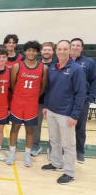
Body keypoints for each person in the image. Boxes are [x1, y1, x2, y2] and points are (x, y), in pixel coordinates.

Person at [42, 40, 86, 185]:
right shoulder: (53, 67)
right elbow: (48, 89)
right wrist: (46, 106)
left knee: (68, 144)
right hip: (52, 111)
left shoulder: (76, 69)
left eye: (64, 49)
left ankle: (69, 172)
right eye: (59, 49)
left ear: (69, 50)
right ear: (56, 51)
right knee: (54, 139)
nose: (62, 51)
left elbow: (80, 94)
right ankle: (56, 163)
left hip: (66, 113)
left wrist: (74, 115)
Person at [6, 41, 48, 167]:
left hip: (32, 103)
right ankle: (12, 152)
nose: (31, 53)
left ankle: (27, 154)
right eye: (29, 50)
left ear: (37, 52)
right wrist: (20, 95)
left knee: (30, 130)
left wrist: (32, 96)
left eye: (34, 50)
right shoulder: (17, 66)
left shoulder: (43, 68)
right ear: (24, 52)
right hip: (18, 101)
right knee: (15, 128)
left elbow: (43, 87)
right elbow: (12, 84)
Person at [70, 38, 96, 163]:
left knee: (80, 128)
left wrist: (90, 97)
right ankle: (65, 149)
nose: (74, 47)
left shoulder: (89, 62)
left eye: (77, 45)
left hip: (82, 100)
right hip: (66, 100)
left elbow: (94, 80)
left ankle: (80, 152)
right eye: (73, 45)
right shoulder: (64, 61)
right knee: (64, 127)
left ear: (82, 48)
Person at [31, 42, 56, 157]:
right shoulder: (36, 64)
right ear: (41, 51)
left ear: (53, 51)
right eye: (44, 49)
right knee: (36, 124)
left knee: (54, 126)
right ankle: (35, 145)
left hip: (54, 101)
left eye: (49, 50)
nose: (46, 52)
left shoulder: (57, 65)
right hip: (39, 99)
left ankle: (53, 148)